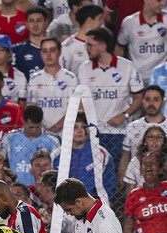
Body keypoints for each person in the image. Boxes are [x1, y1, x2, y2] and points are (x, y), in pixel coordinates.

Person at [77, 27, 143, 166]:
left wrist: (124, 115)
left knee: (116, 173)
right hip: (93, 132)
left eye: (90, 45)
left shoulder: (127, 66)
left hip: (119, 132)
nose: (87, 49)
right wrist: (86, 123)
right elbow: (81, 100)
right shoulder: (84, 69)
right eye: (86, 45)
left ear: (102, 46)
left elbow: (139, 97)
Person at [50, 111, 116, 202]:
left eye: (83, 127)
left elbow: (109, 184)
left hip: (92, 206)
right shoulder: (57, 155)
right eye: (75, 127)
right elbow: (50, 184)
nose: (80, 131)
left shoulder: (101, 154)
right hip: (63, 205)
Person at [0, 105, 60, 186]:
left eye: (37, 127)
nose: (34, 130)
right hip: (17, 188)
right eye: (31, 127)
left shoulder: (53, 140)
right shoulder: (10, 138)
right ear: (23, 121)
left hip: (44, 189)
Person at [27, 36, 78, 134]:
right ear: (41, 53)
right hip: (41, 133)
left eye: (52, 50)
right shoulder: (34, 79)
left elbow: (73, 109)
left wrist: (55, 128)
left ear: (59, 52)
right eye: (45, 51)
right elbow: (31, 109)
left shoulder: (71, 78)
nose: (48, 55)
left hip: (66, 132)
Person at [119, 86, 167, 188]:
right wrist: (122, 180)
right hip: (138, 186)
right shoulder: (132, 126)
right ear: (143, 101)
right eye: (148, 99)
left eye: (156, 99)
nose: (151, 103)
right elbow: (125, 156)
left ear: (163, 102)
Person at [116, 0, 167, 85]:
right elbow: (119, 48)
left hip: (162, 79)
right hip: (137, 79)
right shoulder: (129, 22)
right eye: (158, 0)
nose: (163, 3)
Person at [59, 4, 104, 76]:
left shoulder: (103, 44)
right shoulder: (67, 47)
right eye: (99, 19)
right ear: (89, 20)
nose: (102, 22)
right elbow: (62, 74)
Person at [123, 125, 167, 191]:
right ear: (145, 141)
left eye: (159, 137)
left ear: (164, 141)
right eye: (150, 137)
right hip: (141, 197)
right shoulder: (135, 161)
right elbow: (131, 189)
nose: (155, 141)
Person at [11, 7, 48, 80]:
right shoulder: (16, 50)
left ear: (46, 23)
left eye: (39, 21)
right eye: (31, 21)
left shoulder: (56, 49)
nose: (35, 24)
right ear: (26, 24)